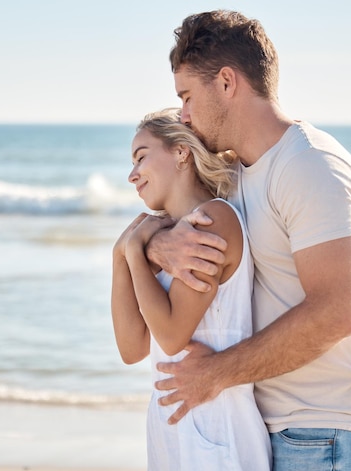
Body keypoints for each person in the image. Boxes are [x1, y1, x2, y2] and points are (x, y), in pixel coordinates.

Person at [143, 10, 351, 471]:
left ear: (226, 82)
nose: (182, 114)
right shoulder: (237, 174)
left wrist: (214, 375)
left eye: (186, 96)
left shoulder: (309, 165)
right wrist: (151, 243)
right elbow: (176, 223)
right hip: (275, 428)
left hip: (331, 432)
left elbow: (336, 312)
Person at [111, 108, 271, 471]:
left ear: (181, 152)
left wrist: (134, 251)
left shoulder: (215, 219)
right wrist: (120, 257)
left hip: (218, 427)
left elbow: (170, 337)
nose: (132, 175)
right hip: (172, 426)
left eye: (141, 157)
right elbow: (131, 348)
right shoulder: (167, 238)